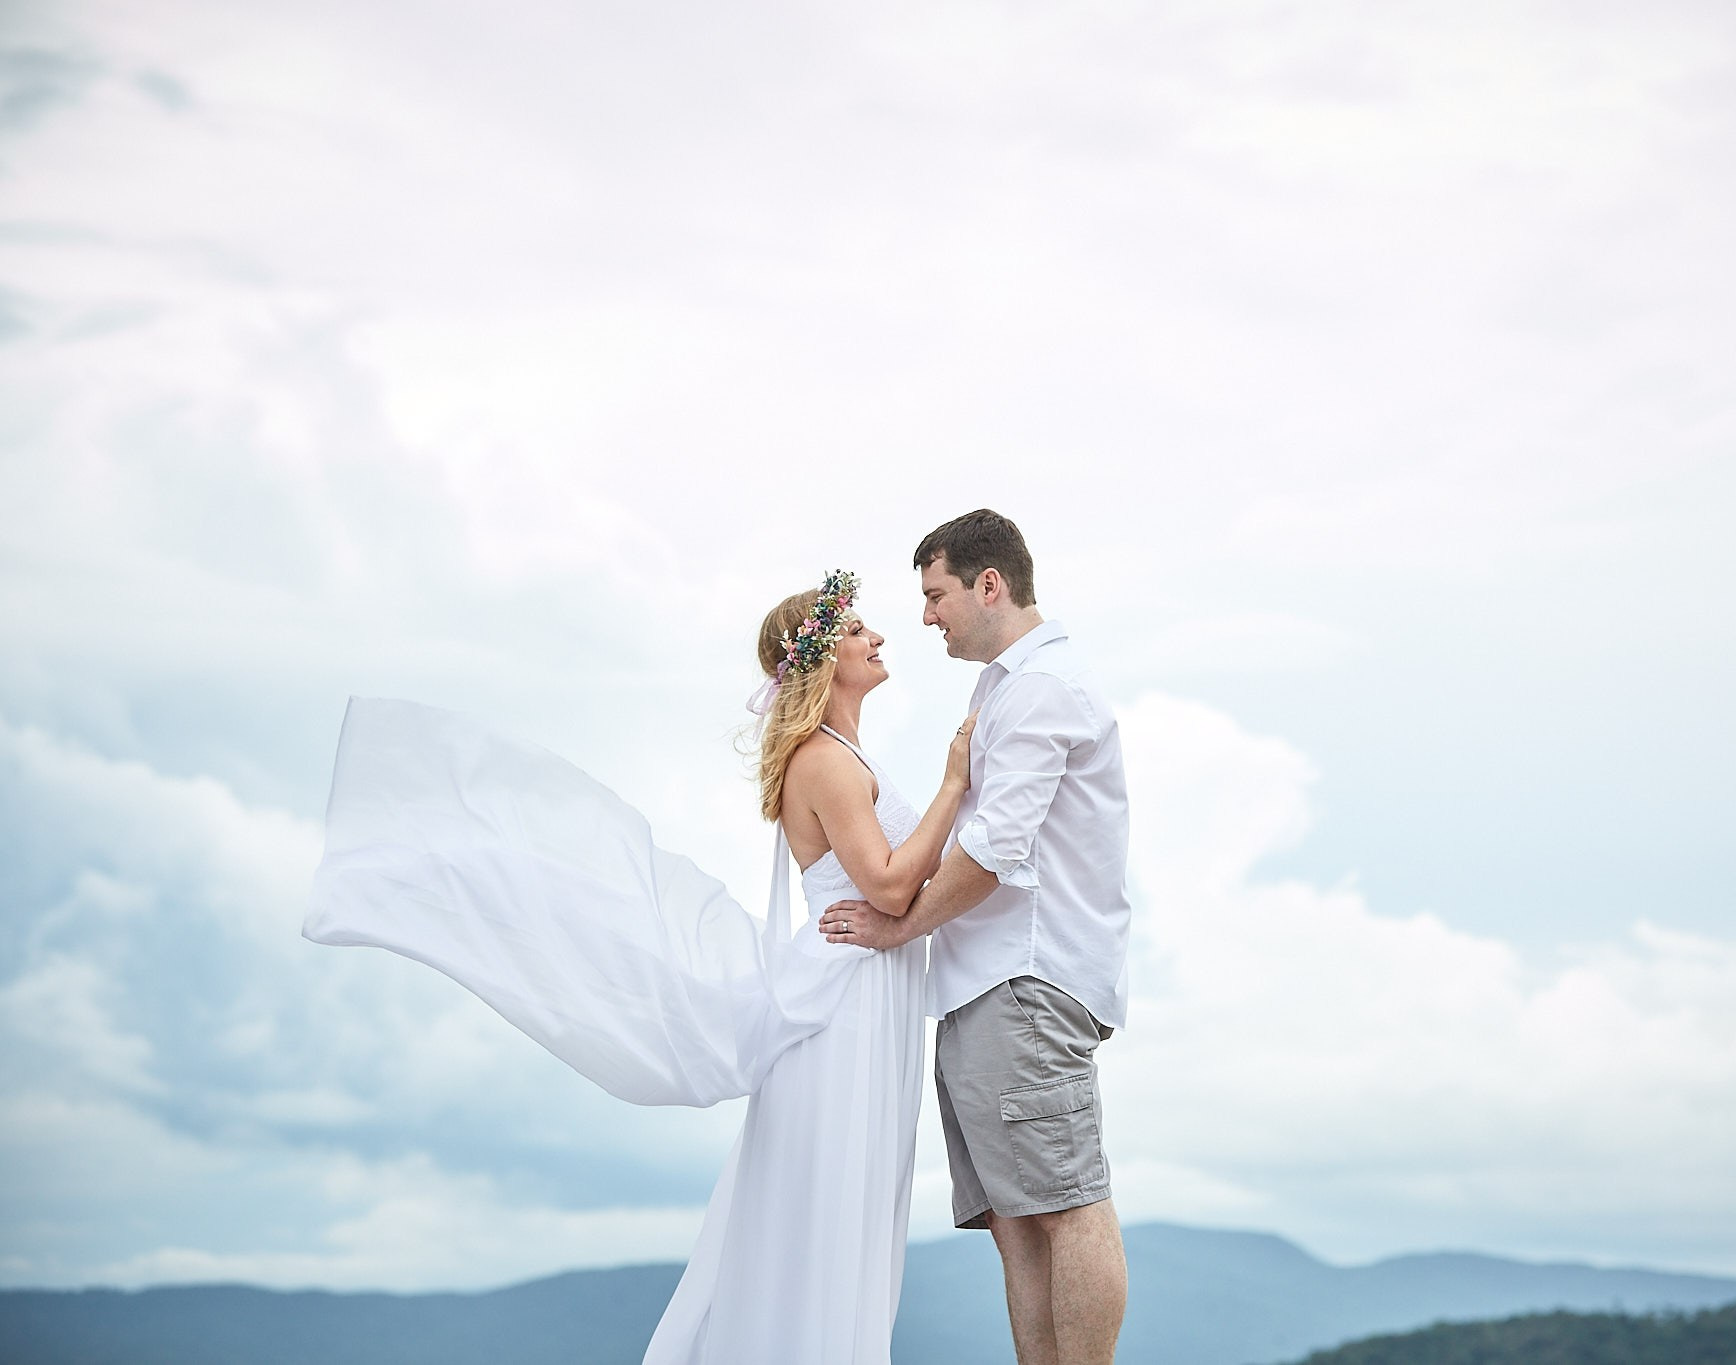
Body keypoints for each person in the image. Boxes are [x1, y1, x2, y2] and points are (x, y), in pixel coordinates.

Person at [304, 570, 973, 1364]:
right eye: (858, 627)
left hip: (870, 997)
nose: (879, 636)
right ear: (825, 653)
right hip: (844, 1011)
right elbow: (892, 884)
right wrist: (957, 779)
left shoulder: (845, 753)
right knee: (830, 1209)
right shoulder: (824, 762)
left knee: (856, 1206)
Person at [820, 511, 1132, 1365]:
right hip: (982, 985)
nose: (926, 617)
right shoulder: (1001, 688)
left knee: (1065, 1200)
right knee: (1015, 1218)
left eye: (936, 594)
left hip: (1022, 980)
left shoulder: (1040, 688)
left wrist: (899, 925)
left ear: (988, 584)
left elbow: (998, 847)